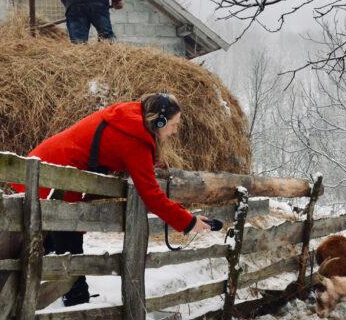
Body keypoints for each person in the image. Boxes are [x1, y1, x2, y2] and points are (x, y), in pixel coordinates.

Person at [12, 93, 211, 306]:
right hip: (51, 177)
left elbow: (120, 152)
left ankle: (34, 282)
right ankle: (76, 305)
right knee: (69, 241)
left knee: (53, 238)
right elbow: (151, 196)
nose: (175, 130)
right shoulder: (135, 141)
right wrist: (188, 222)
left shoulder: (131, 116)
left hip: (50, 166)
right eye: (173, 124)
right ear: (158, 122)